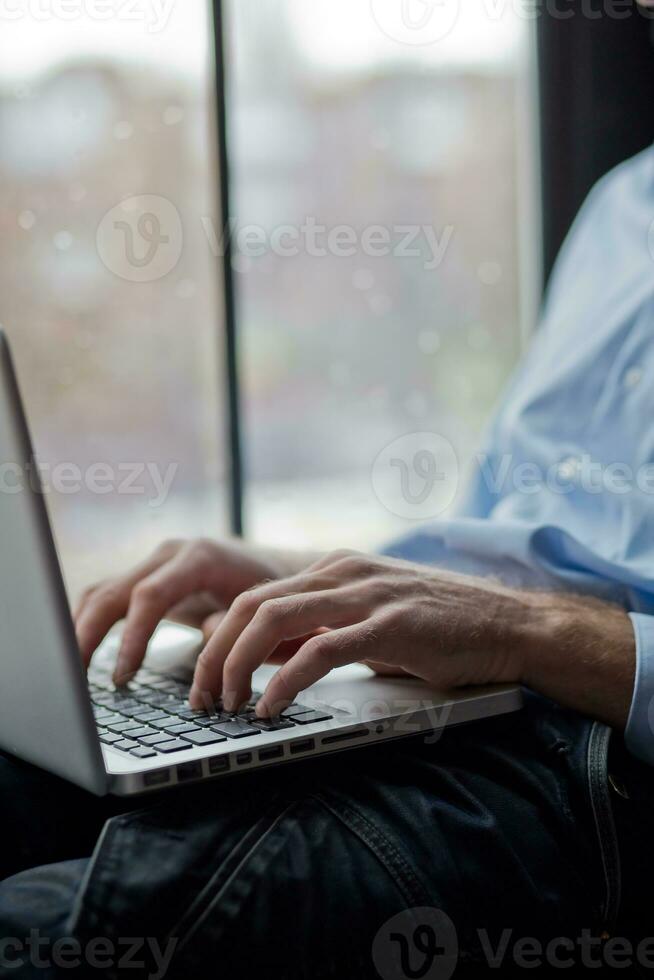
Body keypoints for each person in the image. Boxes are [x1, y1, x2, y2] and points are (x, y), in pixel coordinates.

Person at [3, 73, 654, 980]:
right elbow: (514, 556)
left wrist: (521, 633)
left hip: (584, 753)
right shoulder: (626, 202)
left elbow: (524, 617)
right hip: (437, 694)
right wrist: (300, 580)